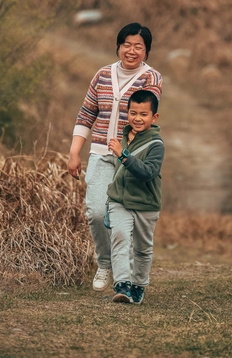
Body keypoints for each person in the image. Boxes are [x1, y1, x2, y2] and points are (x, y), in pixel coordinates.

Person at [68, 23, 162, 292]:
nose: (131, 51)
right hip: (99, 153)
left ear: (147, 51)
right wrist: (75, 152)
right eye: (127, 44)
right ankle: (105, 263)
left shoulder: (151, 78)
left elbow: (143, 117)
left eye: (139, 46)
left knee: (125, 218)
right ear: (119, 46)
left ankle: (128, 271)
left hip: (130, 158)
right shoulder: (102, 75)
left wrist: (127, 152)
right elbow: (87, 113)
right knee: (96, 213)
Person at [105, 90, 164, 305]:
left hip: (146, 204)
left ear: (154, 117)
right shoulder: (123, 136)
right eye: (133, 113)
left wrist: (123, 154)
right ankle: (122, 285)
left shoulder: (156, 144)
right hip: (119, 201)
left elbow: (148, 172)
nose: (137, 118)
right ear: (127, 113)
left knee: (142, 248)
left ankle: (139, 285)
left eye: (144, 114)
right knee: (119, 237)